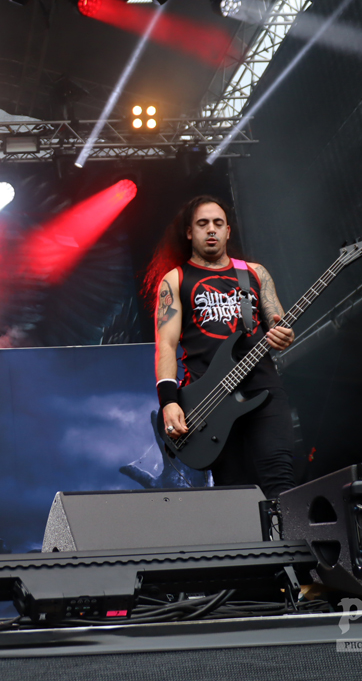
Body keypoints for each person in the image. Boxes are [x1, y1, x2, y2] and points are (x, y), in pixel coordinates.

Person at [144, 195, 296, 498]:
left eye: (217, 223)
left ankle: (288, 531)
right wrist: (169, 402)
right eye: (202, 224)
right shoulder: (175, 280)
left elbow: (278, 323)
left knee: (281, 479)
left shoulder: (254, 273)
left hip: (262, 389)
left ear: (228, 230)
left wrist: (284, 335)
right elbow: (166, 345)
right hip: (212, 400)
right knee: (235, 490)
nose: (211, 229)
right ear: (190, 232)